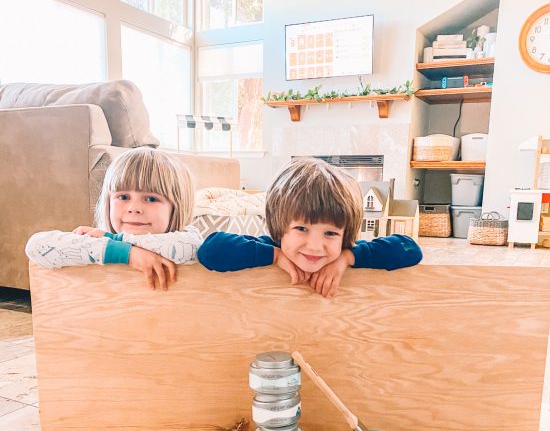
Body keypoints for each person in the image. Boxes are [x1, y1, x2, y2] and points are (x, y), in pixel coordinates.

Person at [198, 157, 422, 298]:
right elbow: (211, 250)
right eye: (302, 229)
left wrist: (346, 258)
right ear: (280, 227)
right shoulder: (272, 246)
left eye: (331, 233)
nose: (315, 246)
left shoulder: (344, 251)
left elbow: (410, 249)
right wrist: (275, 256)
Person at [25, 147, 201, 290]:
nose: (134, 208)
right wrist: (127, 253)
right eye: (123, 197)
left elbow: (190, 249)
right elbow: (36, 246)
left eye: (151, 199)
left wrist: (113, 240)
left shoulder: (187, 238)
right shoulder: (99, 240)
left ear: (176, 207)